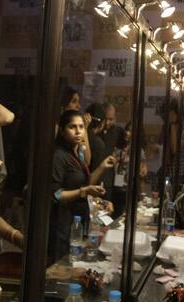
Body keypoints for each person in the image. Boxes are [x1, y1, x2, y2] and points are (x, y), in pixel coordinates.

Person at [48, 110, 116, 263]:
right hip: (61, 222)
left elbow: (86, 183)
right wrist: (83, 191)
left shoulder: (77, 152)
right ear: (62, 130)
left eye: (81, 127)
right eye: (73, 127)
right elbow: (56, 195)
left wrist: (102, 167)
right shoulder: (58, 155)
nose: (78, 131)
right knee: (62, 264)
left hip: (77, 220)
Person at [98, 103, 127, 200]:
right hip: (94, 176)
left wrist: (117, 158)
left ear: (115, 118)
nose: (107, 122)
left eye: (111, 119)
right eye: (105, 119)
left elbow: (124, 148)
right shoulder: (95, 129)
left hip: (108, 178)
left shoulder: (118, 131)